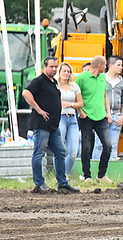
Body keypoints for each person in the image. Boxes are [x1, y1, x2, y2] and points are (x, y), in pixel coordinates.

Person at [22, 56, 80, 193]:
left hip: (53, 125)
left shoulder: (53, 82)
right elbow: (26, 93)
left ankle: (62, 182)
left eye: (55, 67)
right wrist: (39, 110)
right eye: (51, 67)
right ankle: (39, 183)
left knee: (61, 152)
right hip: (41, 124)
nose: (54, 69)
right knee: (39, 153)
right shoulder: (39, 81)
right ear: (45, 67)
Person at [75, 55, 114, 185]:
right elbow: (76, 97)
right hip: (86, 117)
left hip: (101, 116)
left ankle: (101, 175)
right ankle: (87, 176)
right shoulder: (81, 78)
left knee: (108, 145)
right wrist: (81, 112)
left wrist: (108, 112)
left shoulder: (103, 77)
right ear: (100, 65)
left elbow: (104, 96)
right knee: (86, 146)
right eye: (105, 65)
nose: (106, 67)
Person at [93, 55, 123, 159]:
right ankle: (96, 169)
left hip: (116, 117)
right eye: (118, 65)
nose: (121, 67)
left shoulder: (122, 82)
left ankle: (110, 172)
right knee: (99, 144)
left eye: (121, 65)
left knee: (113, 145)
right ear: (111, 66)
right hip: (102, 116)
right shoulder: (100, 79)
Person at [57, 62, 83, 180]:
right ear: (60, 72)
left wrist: (70, 104)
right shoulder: (55, 86)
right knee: (60, 148)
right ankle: (61, 175)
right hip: (60, 117)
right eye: (64, 71)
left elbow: (80, 103)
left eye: (68, 71)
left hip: (72, 118)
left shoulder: (74, 86)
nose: (66, 73)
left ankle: (66, 173)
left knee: (73, 151)